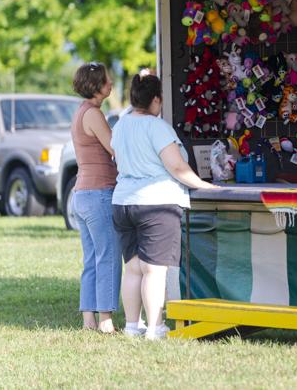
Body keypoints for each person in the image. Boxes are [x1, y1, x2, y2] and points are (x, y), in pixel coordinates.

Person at [111, 74, 221, 339]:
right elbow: (176, 166)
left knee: (134, 268)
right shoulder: (157, 126)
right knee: (155, 270)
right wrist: (205, 186)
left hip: (123, 202)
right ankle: (155, 328)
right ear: (156, 99)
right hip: (156, 203)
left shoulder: (120, 124)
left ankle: (131, 326)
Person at [71, 62, 122, 333]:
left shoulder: (81, 112)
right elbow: (113, 148)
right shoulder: (93, 114)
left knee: (92, 258)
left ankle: (88, 319)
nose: (111, 83)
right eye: (107, 80)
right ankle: (105, 320)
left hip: (82, 193)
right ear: (96, 85)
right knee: (108, 256)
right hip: (99, 193)